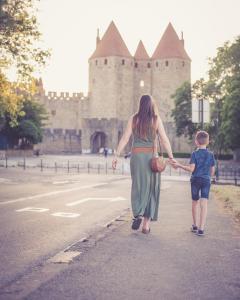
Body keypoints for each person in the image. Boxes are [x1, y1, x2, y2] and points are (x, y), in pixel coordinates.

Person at [112, 95, 176, 234]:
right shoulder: (156, 119)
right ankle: (146, 225)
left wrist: (116, 155)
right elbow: (164, 140)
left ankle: (138, 213)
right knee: (152, 188)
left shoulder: (134, 119)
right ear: (152, 105)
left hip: (137, 157)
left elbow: (125, 138)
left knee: (138, 186)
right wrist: (171, 157)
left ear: (140, 105)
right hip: (151, 158)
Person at [172, 131, 215, 236]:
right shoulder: (211, 154)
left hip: (195, 180)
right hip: (206, 180)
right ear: (208, 141)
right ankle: (201, 229)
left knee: (195, 202)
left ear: (196, 142)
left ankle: (195, 225)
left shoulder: (195, 154)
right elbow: (212, 170)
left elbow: (191, 169)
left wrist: (179, 165)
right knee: (204, 204)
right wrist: (209, 177)